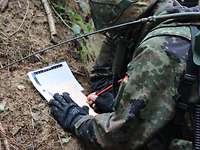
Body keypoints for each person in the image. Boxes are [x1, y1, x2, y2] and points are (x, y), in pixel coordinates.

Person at [49, 0, 200, 149]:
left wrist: (77, 120)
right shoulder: (177, 17)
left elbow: (120, 138)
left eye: (114, 32)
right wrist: (119, 101)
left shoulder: (157, 51)